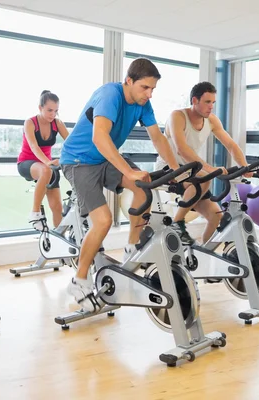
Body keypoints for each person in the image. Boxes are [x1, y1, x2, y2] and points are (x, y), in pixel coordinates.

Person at [59, 58, 180, 311]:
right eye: (144, 88)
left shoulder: (143, 104)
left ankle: (131, 248)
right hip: (79, 161)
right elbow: (100, 136)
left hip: (104, 158)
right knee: (102, 221)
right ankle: (79, 280)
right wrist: (127, 170)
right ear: (129, 81)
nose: (149, 94)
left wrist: (177, 171)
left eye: (152, 89)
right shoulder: (109, 94)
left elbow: (157, 138)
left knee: (143, 185)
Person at [155, 81, 251, 244]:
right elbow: (181, 149)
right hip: (170, 168)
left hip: (193, 171)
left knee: (216, 219)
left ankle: (205, 254)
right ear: (194, 101)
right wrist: (209, 169)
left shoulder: (212, 120)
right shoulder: (177, 116)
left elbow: (231, 145)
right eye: (207, 102)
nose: (211, 106)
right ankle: (177, 224)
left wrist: (245, 166)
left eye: (213, 102)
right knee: (207, 177)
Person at [17, 90, 69, 230]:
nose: (53, 114)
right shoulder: (30, 122)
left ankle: (59, 239)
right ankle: (35, 212)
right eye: (49, 110)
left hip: (47, 167)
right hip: (27, 163)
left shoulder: (57, 123)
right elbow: (33, 146)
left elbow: (71, 143)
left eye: (56, 111)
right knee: (46, 170)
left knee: (58, 208)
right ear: (40, 108)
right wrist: (47, 162)